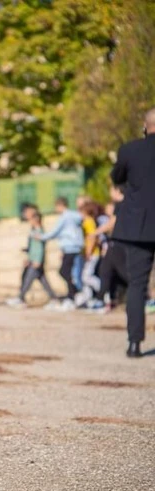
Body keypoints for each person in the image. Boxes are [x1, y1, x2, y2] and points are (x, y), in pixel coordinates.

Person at [110, 108, 155, 358]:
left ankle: (134, 343)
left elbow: (117, 176)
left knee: (137, 284)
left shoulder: (129, 150)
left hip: (138, 226)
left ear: (144, 126)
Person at [36, 197, 84, 310]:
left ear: (60, 205)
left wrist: (42, 237)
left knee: (64, 272)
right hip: (74, 247)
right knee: (73, 273)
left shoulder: (65, 217)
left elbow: (55, 231)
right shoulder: (75, 215)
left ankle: (74, 294)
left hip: (70, 248)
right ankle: (74, 294)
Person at [7, 212, 56, 307]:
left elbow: (39, 249)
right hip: (33, 260)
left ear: (35, 220)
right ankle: (54, 298)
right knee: (43, 281)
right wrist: (28, 257)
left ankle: (20, 298)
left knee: (28, 280)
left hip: (36, 262)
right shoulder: (34, 232)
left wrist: (38, 260)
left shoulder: (39, 233)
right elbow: (33, 248)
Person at [76, 202, 102, 307]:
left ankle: (103, 291)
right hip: (88, 253)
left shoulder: (88, 221)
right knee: (84, 277)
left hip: (92, 253)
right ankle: (88, 299)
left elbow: (92, 237)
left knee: (87, 277)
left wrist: (88, 252)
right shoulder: (87, 221)